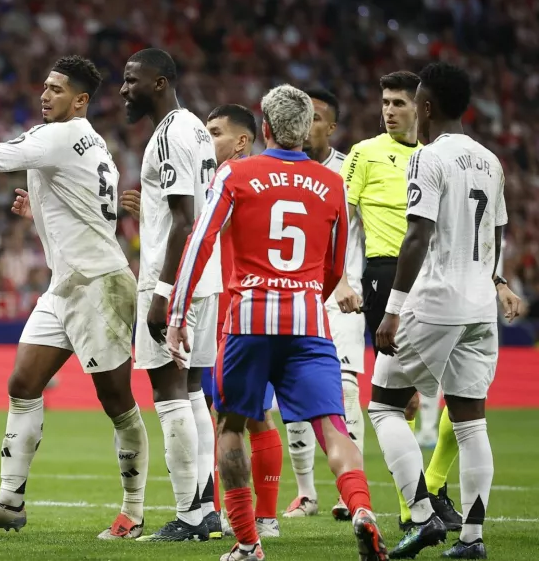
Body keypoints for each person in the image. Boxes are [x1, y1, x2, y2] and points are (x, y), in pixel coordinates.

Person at [0, 55, 151, 541]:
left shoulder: (58, 136)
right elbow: (90, 211)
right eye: (44, 86)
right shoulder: (90, 141)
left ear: (80, 100)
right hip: (68, 283)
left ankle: (133, 511)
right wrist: (39, 208)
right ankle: (10, 502)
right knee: (23, 383)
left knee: (117, 400)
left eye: (57, 89)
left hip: (98, 284)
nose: (45, 95)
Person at [167, 85, 388, 561]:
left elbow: (199, 241)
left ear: (264, 128)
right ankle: (363, 509)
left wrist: (176, 313)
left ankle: (248, 543)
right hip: (308, 319)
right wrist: (306, 295)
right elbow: (335, 269)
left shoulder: (235, 174)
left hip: (247, 319)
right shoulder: (332, 183)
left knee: (231, 426)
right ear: (306, 130)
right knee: (333, 425)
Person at [369, 61, 524, 560]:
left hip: (437, 299)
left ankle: (421, 515)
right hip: (481, 305)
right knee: (471, 422)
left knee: (383, 404)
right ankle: (472, 540)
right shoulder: (490, 160)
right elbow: (497, 234)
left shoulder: (428, 157)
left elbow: (417, 235)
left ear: (427, 106)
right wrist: (494, 282)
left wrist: (393, 309)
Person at [121, 104, 283, 539]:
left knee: (187, 396)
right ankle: (215, 507)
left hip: (222, 294)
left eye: (217, 132)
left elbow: (191, 224)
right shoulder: (227, 173)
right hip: (218, 289)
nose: (208, 140)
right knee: (205, 397)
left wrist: (164, 291)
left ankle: (198, 514)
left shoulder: (232, 174)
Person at [343, 71, 461, 531]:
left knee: (464, 391)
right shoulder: (365, 154)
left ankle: (432, 485)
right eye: (385, 102)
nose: (389, 111)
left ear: (422, 107)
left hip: (444, 279)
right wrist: (343, 280)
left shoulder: (439, 157)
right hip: (388, 274)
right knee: (404, 400)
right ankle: (414, 508)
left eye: (399, 103)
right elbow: (344, 220)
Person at [118, 47, 222, 542]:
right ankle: (206, 504)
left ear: (159, 83)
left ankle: (191, 514)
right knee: (195, 391)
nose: (123, 89)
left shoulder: (168, 136)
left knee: (169, 394)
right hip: (205, 276)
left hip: (175, 282)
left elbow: (183, 219)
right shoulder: (197, 129)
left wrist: (162, 293)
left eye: (131, 80)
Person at [284, 88, 367, 521]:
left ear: (331, 127)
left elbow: (366, 235)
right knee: (292, 394)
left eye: (315, 118)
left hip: (343, 297)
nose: (306, 124)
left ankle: (347, 491)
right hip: (294, 296)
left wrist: (350, 281)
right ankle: (305, 493)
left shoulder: (351, 170)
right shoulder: (280, 170)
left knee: (347, 389)